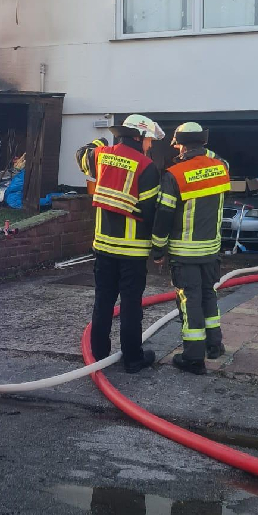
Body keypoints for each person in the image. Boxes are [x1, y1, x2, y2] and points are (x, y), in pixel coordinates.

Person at [76, 115, 164, 372]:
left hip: (103, 247)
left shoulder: (101, 156)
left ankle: (98, 355)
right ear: (137, 136)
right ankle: (133, 359)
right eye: (148, 139)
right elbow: (150, 212)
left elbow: (81, 154)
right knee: (130, 306)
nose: (150, 144)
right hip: (133, 251)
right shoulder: (146, 166)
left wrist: (98, 142)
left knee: (103, 302)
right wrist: (159, 247)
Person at [151, 122, 231, 375]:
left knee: (190, 301)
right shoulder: (221, 167)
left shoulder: (174, 174)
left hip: (185, 253)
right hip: (211, 250)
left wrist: (158, 249)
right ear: (204, 143)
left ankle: (193, 358)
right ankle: (214, 346)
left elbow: (164, 214)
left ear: (182, 145)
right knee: (209, 295)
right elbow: (215, 158)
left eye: (177, 146)